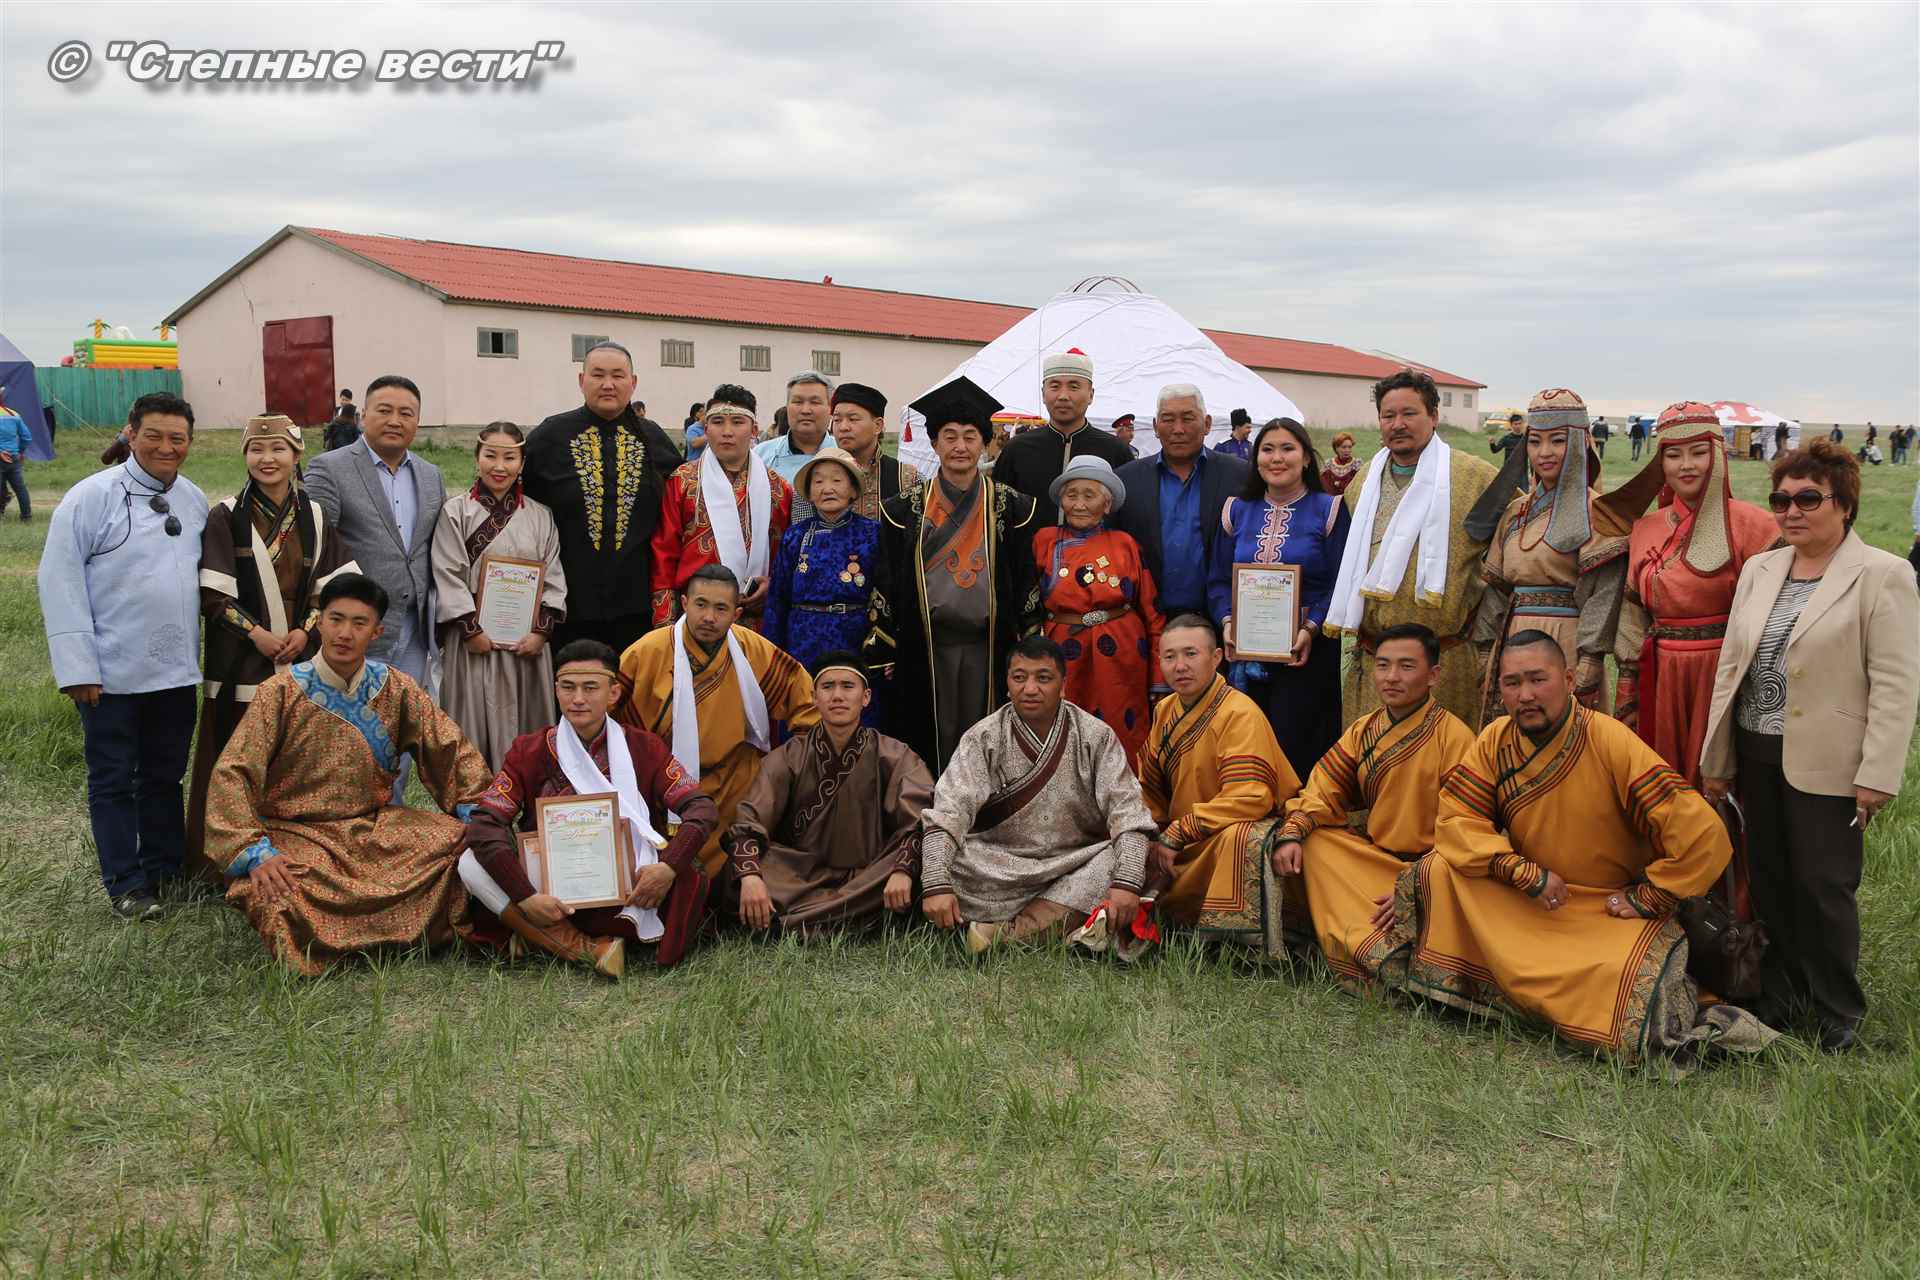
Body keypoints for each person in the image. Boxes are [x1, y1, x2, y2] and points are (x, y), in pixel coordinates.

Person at [1380, 631, 1776, 1063]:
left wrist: (1648, 897)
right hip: (1531, 897)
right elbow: (1457, 821)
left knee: (1626, 979)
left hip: (1603, 911)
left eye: (1538, 679)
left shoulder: (1610, 740)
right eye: (1512, 683)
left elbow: (1703, 833)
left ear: (1569, 679)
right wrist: (1522, 873)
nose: (1525, 695)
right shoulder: (1495, 740)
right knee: (1437, 870)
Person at [1700, 441, 1919, 1051]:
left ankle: (1836, 1010)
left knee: (1823, 886)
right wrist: (1719, 758)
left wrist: (1877, 772)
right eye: (1780, 499)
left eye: (1807, 499)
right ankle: (1782, 996)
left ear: (1844, 504)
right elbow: (1733, 667)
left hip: (1831, 760)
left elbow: (1896, 684)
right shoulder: (1761, 569)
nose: (1791, 511)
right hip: (1757, 750)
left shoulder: (1884, 575)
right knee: (1771, 881)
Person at [203, 573, 495, 975]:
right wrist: (253, 850)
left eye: (359, 623)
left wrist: (476, 811)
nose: (345, 633)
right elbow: (233, 773)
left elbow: (449, 749)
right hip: (298, 833)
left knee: (458, 845)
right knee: (277, 885)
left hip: (374, 828)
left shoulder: (397, 688)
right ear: (319, 623)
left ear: (376, 632)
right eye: (336, 619)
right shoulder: (280, 691)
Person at [38, 391, 209, 919]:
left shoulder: (194, 500)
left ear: (190, 442)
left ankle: (165, 869)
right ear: (130, 433)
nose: (166, 447)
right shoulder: (90, 497)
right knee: (112, 779)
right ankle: (126, 884)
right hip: (108, 673)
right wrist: (78, 667)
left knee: (165, 775)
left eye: (177, 438)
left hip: (175, 672)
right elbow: (59, 581)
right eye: (153, 435)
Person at [459, 639, 719, 977]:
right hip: (549, 890)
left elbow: (700, 808)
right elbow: (485, 823)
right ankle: (581, 946)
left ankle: (533, 935)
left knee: (687, 872)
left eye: (590, 687)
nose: (578, 698)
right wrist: (525, 896)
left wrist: (667, 867)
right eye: (568, 687)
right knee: (470, 861)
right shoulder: (529, 750)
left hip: (627, 884)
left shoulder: (645, 747)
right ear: (556, 690)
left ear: (613, 693)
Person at [187, 414, 357, 883]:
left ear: (297, 455)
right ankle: (223, 866)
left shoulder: (315, 516)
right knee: (234, 761)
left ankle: (299, 859)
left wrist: (307, 631)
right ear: (244, 455)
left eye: (279, 448)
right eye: (257, 449)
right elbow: (213, 594)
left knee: (297, 764)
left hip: (301, 659)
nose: (268, 458)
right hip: (240, 662)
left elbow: (336, 587)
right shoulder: (225, 515)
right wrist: (257, 634)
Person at [918, 637, 1157, 952]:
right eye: (1019, 677)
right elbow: (948, 814)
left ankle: (1003, 934)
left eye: (1043, 678)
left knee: (1131, 858)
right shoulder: (983, 737)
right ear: (1007, 684)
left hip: (1073, 865)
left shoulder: (1095, 736)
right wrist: (936, 884)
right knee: (944, 859)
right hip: (997, 869)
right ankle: (1066, 928)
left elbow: (1129, 815)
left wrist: (1126, 883)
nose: (1030, 688)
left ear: (1063, 685)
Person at [1266, 624, 1475, 982]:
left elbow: (1467, 829)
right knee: (1312, 841)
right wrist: (1293, 832)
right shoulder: (1365, 729)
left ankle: (1370, 950)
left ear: (1433, 676)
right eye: (1383, 665)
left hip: (1426, 870)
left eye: (1406, 666)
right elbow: (1324, 789)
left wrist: (1419, 882)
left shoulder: (1456, 739)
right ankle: (1351, 940)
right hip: (1371, 859)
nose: (1391, 677)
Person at [1602, 402, 1780, 786]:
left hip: (1726, 674)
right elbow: (1633, 618)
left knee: (1724, 784)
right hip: (1661, 674)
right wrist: (1628, 688)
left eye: (1698, 453)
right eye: (1673, 455)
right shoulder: (1645, 528)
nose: (1686, 465)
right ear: (1660, 464)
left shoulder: (1755, 526)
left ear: (1717, 456)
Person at [876, 376, 1039, 775]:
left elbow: (1024, 579)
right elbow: (888, 581)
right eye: (949, 436)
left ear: (985, 443)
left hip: (991, 646)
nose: (960, 446)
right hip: (926, 647)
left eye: (970, 436)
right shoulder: (903, 510)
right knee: (929, 744)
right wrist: (883, 648)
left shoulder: (1012, 507)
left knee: (990, 742)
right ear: (934, 444)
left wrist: (1031, 640)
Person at [616, 566, 819, 883]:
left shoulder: (752, 648)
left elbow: (805, 701)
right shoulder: (647, 652)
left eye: (721, 608)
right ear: (684, 603)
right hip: (661, 786)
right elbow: (608, 712)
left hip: (734, 781)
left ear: (737, 614)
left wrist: (794, 765)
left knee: (736, 876)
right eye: (701, 604)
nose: (709, 617)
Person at [1326, 369, 1500, 729]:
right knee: (1371, 755)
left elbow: (1518, 537)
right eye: (1388, 415)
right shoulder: (1363, 480)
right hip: (1374, 663)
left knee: (1442, 757)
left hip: (1444, 663)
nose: (1398, 424)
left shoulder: (1475, 477)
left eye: (1409, 413)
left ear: (1433, 416)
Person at [1126, 617, 1298, 958]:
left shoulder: (1239, 712)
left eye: (1191, 654)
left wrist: (1179, 832)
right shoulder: (1166, 710)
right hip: (1183, 838)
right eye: (1170, 657)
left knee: (1241, 838)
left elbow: (1250, 797)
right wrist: (1149, 832)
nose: (1180, 666)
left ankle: (1235, 946)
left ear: (1217, 657)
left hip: (1227, 831)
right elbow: (1151, 786)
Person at [729, 652, 934, 936]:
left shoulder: (896, 755)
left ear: (866, 697)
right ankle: (857, 916)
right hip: (800, 878)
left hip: (872, 874)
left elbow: (919, 820)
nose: (837, 696)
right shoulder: (788, 756)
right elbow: (750, 819)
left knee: (915, 859)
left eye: (848, 686)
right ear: (814, 697)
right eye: (827, 687)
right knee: (740, 871)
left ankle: (791, 922)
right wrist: (751, 878)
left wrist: (901, 870)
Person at [1470, 388, 1626, 722]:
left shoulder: (1598, 513)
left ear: (1581, 442)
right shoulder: (1514, 512)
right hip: (1512, 639)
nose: (1544, 452)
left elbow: (1604, 593)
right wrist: (1485, 649)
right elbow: (1495, 589)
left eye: (1557, 440)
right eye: (1535, 441)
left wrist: (1590, 659)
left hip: (1567, 641)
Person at [1209, 417, 1351, 779]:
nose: (1276, 458)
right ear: (1256, 458)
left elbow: (1341, 581)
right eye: (1267, 449)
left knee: (1297, 747)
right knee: (1247, 747)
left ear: (1306, 457)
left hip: (1308, 652)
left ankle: (1298, 812)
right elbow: (1218, 580)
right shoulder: (1235, 510)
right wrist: (1227, 623)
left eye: (1288, 448)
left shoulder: (1330, 509)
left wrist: (1311, 627)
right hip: (1244, 650)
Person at [524, 342, 684, 655]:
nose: (608, 384)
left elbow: (682, 512)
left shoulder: (653, 439)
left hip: (638, 606)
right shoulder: (550, 436)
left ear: (633, 383)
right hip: (566, 603)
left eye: (617, 376)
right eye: (598, 375)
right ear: (581, 380)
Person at [431, 423, 568, 770]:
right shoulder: (455, 512)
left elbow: (553, 576)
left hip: (527, 643)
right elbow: (447, 573)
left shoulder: (540, 515)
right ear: (476, 457)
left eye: (510, 458)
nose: (499, 466)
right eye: (490, 456)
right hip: (473, 641)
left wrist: (540, 633)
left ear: (522, 463)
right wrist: (471, 631)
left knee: (529, 734)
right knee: (472, 730)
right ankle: (475, 798)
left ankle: (526, 795)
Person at [304, 375, 444, 705]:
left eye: (406, 413)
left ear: (418, 420)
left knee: (403, 719)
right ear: (363, 415)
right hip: (353, 629)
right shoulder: (329, 468)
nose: (395, 420)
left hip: (413, 629)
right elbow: (313, 549)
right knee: (348, 720)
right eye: (384, 410)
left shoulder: (430, 474)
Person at [1031, 456, 1165, 765]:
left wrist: (1158, 676)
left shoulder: (1125, 544)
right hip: (1064, 654)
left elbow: (1152, 611)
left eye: (1089, 495)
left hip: (1121, 656)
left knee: (1121, 732)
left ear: (1107, 505)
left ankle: (1123, 792)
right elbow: (1028, 605)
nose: (1079, 504)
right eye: (1071, 495)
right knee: (1063, 731)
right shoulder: (1044, 541)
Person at [651, 384, 794, 631]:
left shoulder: (779, 490)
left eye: (737, 422)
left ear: (754, 430)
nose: (727, 432)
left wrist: (773, 583)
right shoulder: (682, 482)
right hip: (694, 619)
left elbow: (787, 556)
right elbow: (664, 555)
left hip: (757, 620)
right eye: (718, 422)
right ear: (706, 429)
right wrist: (665, 625)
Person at [1110, 383, 1249, 622]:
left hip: (1220, 620)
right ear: (1155, 427)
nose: (1178, 429)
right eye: (1168, 420)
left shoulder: (1239, 476)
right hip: (1145, 621)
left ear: (1207, 424)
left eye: (1188, 418)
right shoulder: (1126, 480)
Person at [764, 446, 886, 715]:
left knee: (855, 712)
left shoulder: (873, 534)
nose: (827, 488)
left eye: (837, 480)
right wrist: (774, 652)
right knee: (804, 710)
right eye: (818, 481)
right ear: (809, 492)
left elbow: (886, 593)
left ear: (853, 489)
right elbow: (777, 599)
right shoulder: (795, 536)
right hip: (802, 638)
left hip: (853, 637)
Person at [988, 348, 1134, 525]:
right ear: (1043, 394)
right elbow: (998, 513)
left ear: (1091, 395)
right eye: (1055, 386)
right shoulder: (1017, 449)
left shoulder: (1116, 450)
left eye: (1074, 387)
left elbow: (1128, 514)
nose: (1063, 396)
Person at [829, 382, 922, 519]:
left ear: (878, 426)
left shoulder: (908, 477)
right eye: (837, 420)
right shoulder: (818, 475)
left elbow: (919, 529)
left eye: (853, 419)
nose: (843, 427)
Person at [754, 372, 834, 518]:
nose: (805, 410)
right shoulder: (760, 455)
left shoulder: (845, 454)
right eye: (798, 402)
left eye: (815, 402)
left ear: (830, 409)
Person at [0, 388, 31, 521]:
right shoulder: (13, 414)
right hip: (13, 457)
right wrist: (19, 452)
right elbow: (26, 437)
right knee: (20, 488)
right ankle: (26, 517)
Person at [1320, 432, 1360, 496]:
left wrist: (1340, 484)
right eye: (1344, 447)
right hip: (1331, 500)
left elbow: (1358, 487)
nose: (1347, 450)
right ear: (1336, 448)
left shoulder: (1357, 464)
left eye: (1350, 447)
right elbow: (1324, 487)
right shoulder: (1328, 465)